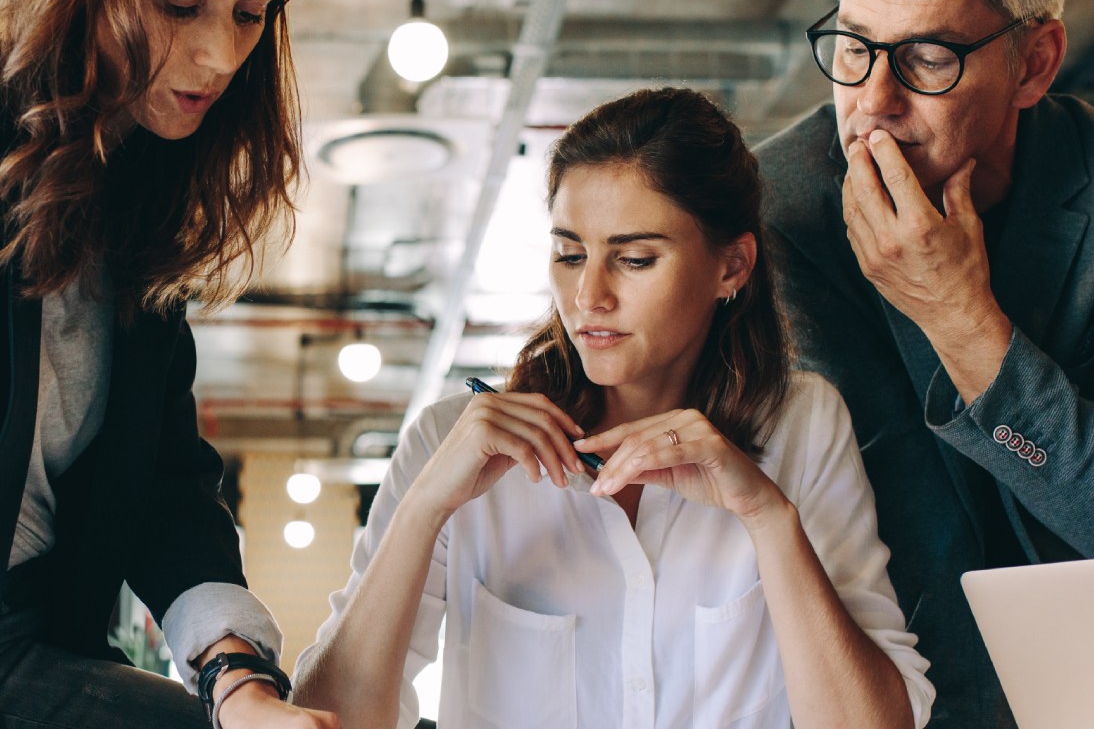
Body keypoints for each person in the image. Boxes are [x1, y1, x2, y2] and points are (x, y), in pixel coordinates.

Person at [292, 87, 934, 729]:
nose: (588, 295)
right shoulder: (447, 441)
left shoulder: (803, 426)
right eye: (569, 255)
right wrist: (424, 508)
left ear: (731, 267)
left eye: (634, 259)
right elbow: (332, 720)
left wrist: (766, 517)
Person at [0, 0, 338, 727]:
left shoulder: (132, 200)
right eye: (180, 5)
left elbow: (160, 486)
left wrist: (238, 680)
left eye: (251, 14)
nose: (221, 53)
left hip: (42, 637)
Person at [754, 0, 1090, 726]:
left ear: (1035, 63)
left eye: (927, 58)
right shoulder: (766, 221)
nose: (873, 100)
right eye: (854, 48)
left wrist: (963, 322)